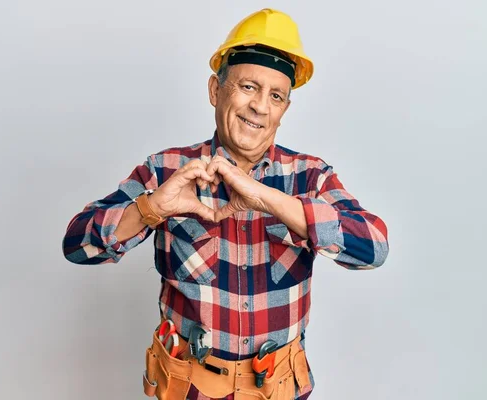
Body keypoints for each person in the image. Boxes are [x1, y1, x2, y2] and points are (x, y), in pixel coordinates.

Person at [62, 8, 389, 400]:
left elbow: (374, 247)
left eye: (276, 96)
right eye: (248, 87)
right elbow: (77, 246)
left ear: (284, 110)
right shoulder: (167, 170)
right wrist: (151, 208)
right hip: (189, 389)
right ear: (216, 91)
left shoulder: (310, 176)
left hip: (279, 390)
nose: (260, 106)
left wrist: (265, 197)